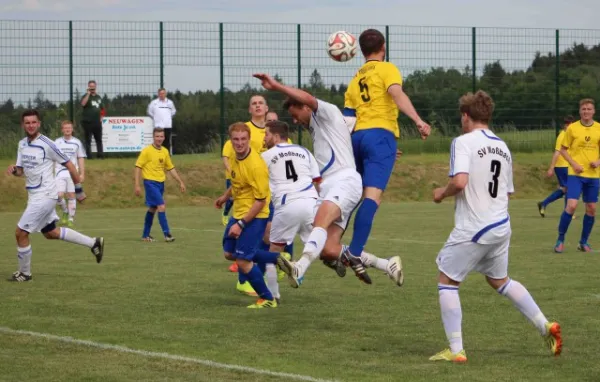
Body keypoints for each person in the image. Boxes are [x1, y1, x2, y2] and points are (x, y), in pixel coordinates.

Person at [430, 90, 561, 362]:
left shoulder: (462, 142)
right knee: (499, 279)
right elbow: (508, 191)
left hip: (475, 226)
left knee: (447, 280)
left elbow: (460, 181)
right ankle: (545, 326)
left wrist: (441, 193)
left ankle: (456, 351)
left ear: (465, 116)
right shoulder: (503, 146)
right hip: (501, 224)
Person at [253, 73, 403, 288]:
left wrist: (276, 86)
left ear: (304, 106)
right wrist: (384, 150)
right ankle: (387, 264)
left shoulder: (326, 112)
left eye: (296, 115)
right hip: (329, 186)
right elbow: (357, 133)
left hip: (345, 180)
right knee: (328, 250)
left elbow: (309, 98)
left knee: (319, 222)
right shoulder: (324, 126)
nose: (295, 121)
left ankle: (300, 266)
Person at [342, 29, 430, 275]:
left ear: (361, 50)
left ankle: (331, 243)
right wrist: (418, 120)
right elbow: (396, 93)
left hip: (357, 138)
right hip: (381, 134)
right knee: (373, 197)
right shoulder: (387, 68)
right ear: (383, 46)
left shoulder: (354, 78)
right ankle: (355, 252)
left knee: (353, 196)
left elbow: (347, 119)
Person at [7, 109, 104, 282]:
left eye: (33, 122)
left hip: (45, 196)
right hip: (34, 195)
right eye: (27, 123)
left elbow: (70, 165)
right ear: (23, 125)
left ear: (39, 124)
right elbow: (21, 171)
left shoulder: (48, 144)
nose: (30, 125)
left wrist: (79, 190)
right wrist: (15, 170)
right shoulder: (22, 144)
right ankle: (94, 243)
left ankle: (25, 273)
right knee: (50, 232)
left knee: (20, 233)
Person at [214, 122, 281, 308]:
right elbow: (237, 184)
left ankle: (267, 298)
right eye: (236, 139)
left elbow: (260, 202)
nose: (240, 143)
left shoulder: (256, 166)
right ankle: (277, 259)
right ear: (231, 140)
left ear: (249, 139)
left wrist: (241, 224)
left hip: (256, 215)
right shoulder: (235, 158)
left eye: (243, 139)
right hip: (239, 212)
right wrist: (224, 197)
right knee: (229, 253)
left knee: (243, 261)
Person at [261, 120, 320, 300]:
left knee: (273, 250)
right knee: (321, 246)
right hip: (311, 202)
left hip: (287, 205)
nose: (264, 138)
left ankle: (272, 294)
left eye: (266, 134)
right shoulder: (305, 151)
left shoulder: (266, 156)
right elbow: (317, 181)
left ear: (276, 135)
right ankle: (299, 268)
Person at [554, 98, 600, 253]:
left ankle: (583, 242)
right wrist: (573, 164)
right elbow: (563, 149)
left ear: (593, 111)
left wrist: (598, 162)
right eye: (583, 109)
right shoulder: (572, 129)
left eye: (589, 109)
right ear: (580, 111)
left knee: (592, 208)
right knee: (571, 205)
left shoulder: (599, 128)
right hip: (575, 174)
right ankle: (560, 240)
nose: (586, 112)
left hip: (593, 176)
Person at [134, 128, 186, 242]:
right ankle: (167, 234)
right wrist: (137, 185)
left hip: (160, 183)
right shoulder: (146, 151)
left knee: (153, 208)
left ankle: (145, 235)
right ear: (153, 137)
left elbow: (171, 168)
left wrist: (180, 181)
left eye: (161, 136)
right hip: (150, 183)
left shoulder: (165, 151)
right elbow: (138, 167)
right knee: (161, 206)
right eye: (157, 136)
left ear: (164, 137)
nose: (159, 139)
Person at [537, 116, 575, 218]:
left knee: (564, 189)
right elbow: (557, 152)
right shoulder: (562, 136)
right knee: (569, 188)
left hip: (566, 165)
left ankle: (543, 203)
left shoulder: (568, 136)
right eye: (569, 125)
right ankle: (568, 213)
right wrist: (551, 167)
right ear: (566, 125)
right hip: (562, 166)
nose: (570, 128)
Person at [54, 120, 86, 227]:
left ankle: (71, 219)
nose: (67, 129)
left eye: (69, 127)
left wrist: (82, 173)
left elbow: (80, 157)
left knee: (72, 195)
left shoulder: (77, 142)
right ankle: (65, 211)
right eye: (65, 128)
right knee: (59, 196)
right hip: (59, 171)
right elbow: (52, 158)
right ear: (62, 130)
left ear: (72, 129)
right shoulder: (57, 142)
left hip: (73, 172)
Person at [147, 88, 177, 153]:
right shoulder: (153, 103)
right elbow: (150, 112)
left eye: (163, 93)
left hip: (167, 126)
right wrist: (156, 118)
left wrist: (167, 118)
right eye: (160, 93)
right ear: (158, 94)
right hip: (158, 126)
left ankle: (167, 157)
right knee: (157, 142)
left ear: (165, 94)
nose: (162, 95)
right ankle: (157, 156)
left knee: (167, 142)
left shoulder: (170, 103)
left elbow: (173, 112)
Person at [80, 80, 105, 159]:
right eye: (90, 86)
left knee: (99, 140)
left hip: (97, 122)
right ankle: (89, 156)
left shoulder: (98, 97)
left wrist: (101, 118)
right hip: (87, 122)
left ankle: (100, 156)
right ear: (88, 87)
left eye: (93, 86)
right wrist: (88, 94)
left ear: (95, 86)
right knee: (88, 140)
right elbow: (83, 104)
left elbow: (102, 109)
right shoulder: (85, 96)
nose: (92, 88)